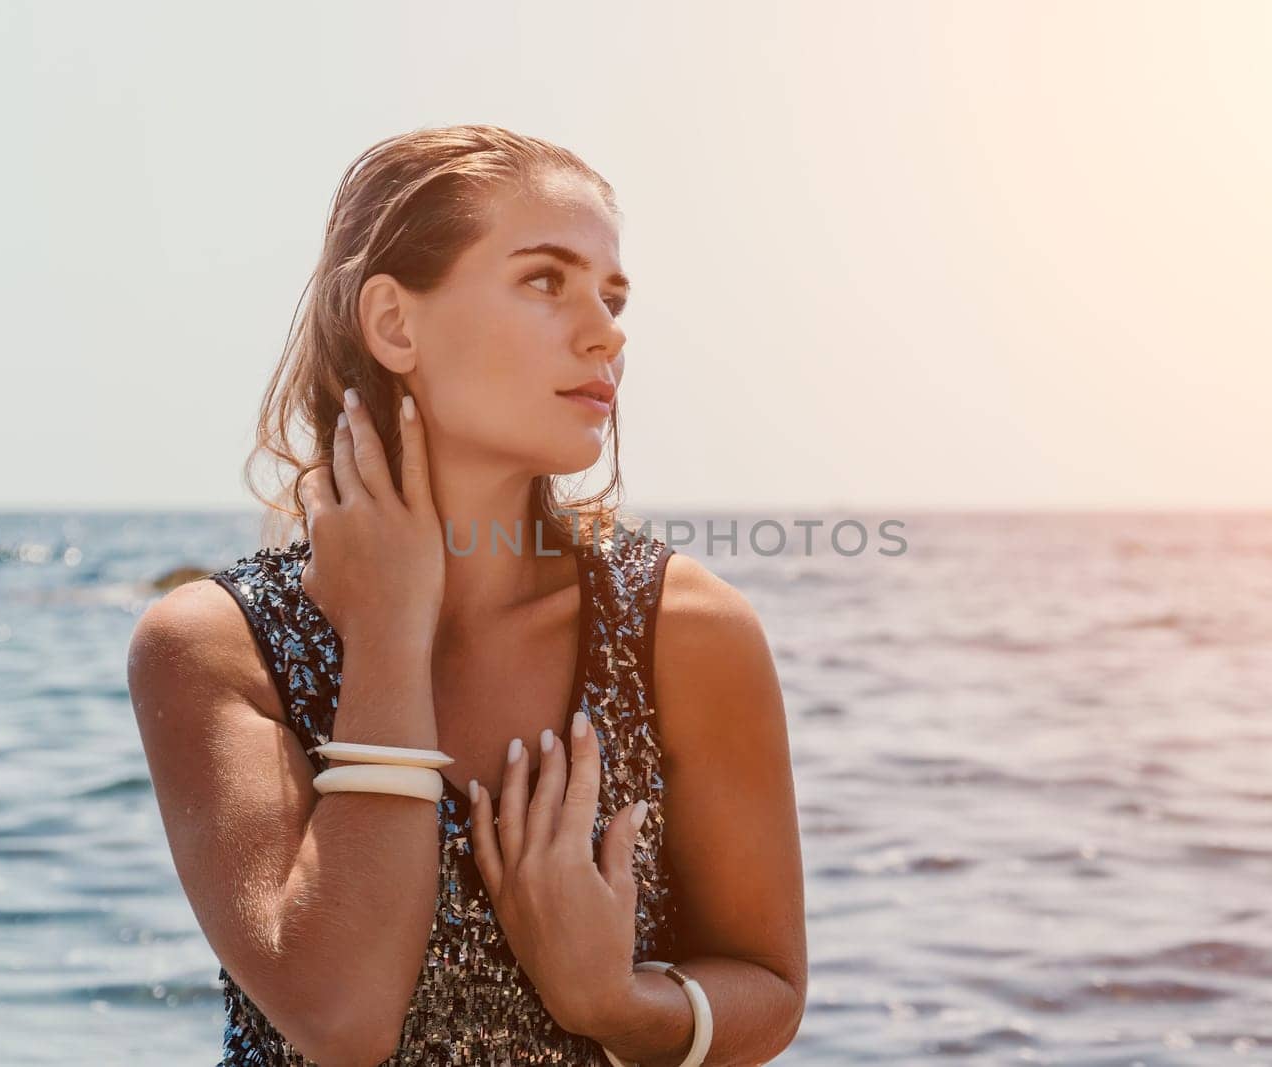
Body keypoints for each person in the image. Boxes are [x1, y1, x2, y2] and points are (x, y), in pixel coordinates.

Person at [126, 124, 807, 1066]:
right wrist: (390, 633)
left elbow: (770, 986)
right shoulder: (215, 646)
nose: (607, 329)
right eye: (545, 280)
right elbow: (342, 1016)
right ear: (396, 324)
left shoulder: (683, 631)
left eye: (613, 296)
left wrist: (616, 1003)